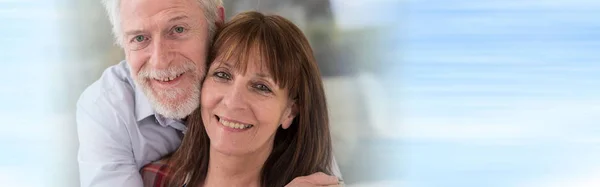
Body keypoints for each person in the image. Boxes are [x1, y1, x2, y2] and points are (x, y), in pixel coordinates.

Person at [76, 0, 340, 186]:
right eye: (139, 38)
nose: (159, 61)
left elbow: (316, 162)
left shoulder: (302, 163)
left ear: (217, 23)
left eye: (178, 30)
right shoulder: (110, 113)